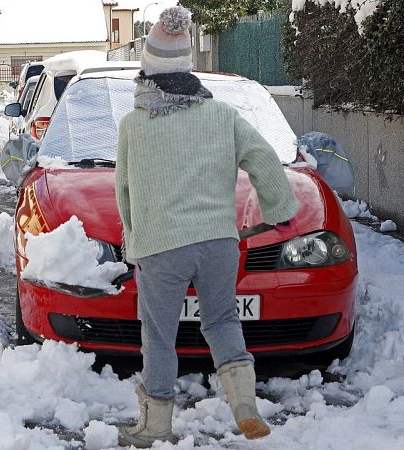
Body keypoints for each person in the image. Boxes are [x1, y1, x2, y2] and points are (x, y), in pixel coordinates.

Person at [114, 6, 299, 448]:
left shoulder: (134, 126)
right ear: (187, 68)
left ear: (148, 69)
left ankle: (155, 425)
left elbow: (124, 192)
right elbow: (264, 159)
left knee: (158, 334)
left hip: (162, 247)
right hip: (218, 242)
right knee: (221, 320)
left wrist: (133, 243)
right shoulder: (222, 116)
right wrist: (277, 208)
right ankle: (244, 405)